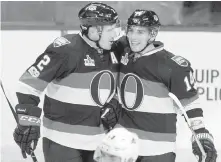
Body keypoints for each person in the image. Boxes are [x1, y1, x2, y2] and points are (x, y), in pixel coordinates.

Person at [13, 2, 121, 162]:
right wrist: (28, 123)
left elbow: (121, 86)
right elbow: (28, 84)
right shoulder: (65, 50)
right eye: (110, 30)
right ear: (94, 30)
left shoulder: (114, 51)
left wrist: (115, 102)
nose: (115, 34)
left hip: (100, 142)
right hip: (61, 142)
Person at [114, 9, 217, 162]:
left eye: (140, 32)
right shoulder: (123, 50)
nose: (133, 37)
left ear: (153, 34)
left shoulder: (173, 66)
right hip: (123, 146)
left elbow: (190, 103)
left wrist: (201, 134)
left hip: (157, 149)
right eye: (131, 30)